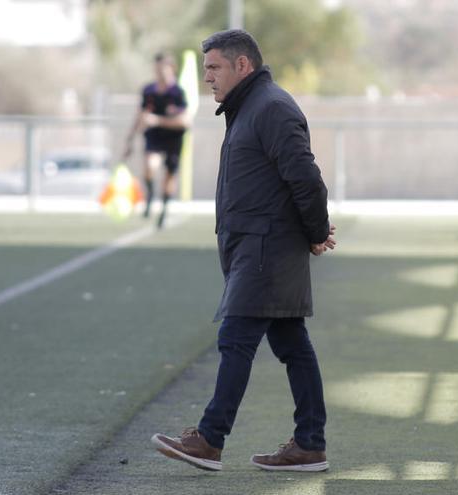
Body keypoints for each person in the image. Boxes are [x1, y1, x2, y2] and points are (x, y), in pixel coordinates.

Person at [151, 29, 337, 472]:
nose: (208, 78)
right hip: (255, 248)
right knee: (293, 345)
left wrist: (314, 231)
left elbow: (305, 177)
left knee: (235, 339)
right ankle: (309, 444)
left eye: (214, 68)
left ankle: (210, 439)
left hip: (266, 249)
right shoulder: (250, 107)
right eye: (205, 69)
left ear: (242, 66)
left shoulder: (270, 107)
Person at [122, 53, 189, 228]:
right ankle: (150, 196)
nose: (159, 72)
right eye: (157, 69)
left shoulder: (178, 93)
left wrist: (158, 120)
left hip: (174, 139)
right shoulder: (148, 91)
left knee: (169, 177)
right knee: (150, 167)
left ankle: (164, 211)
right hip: (154, 138)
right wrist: (130, 140)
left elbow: (185, 121)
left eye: (163, 69)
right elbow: (140, 115)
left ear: (171, 68)